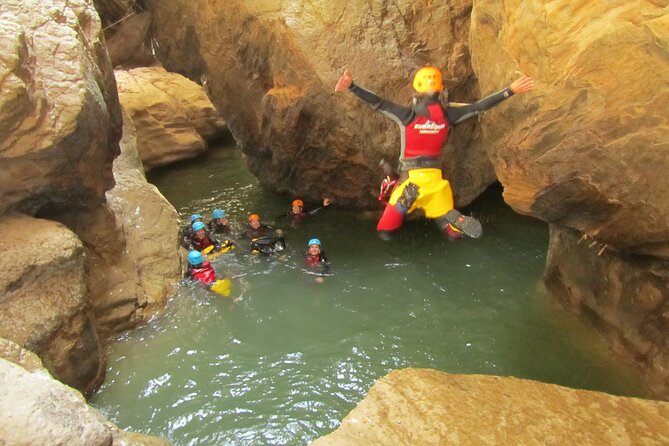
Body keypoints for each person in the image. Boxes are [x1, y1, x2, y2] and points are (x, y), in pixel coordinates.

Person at [334, 66, 534, 240]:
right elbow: (479, 107)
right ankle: (453, 220)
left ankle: (404, 204)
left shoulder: (408, 115)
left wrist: (352, 85)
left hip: (411, 178)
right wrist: (511, 90)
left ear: (417, 88)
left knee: (385, 231)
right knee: (450, 231)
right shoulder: (449, 115)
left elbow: (378, 103)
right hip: (435, 180)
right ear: (440, 87)